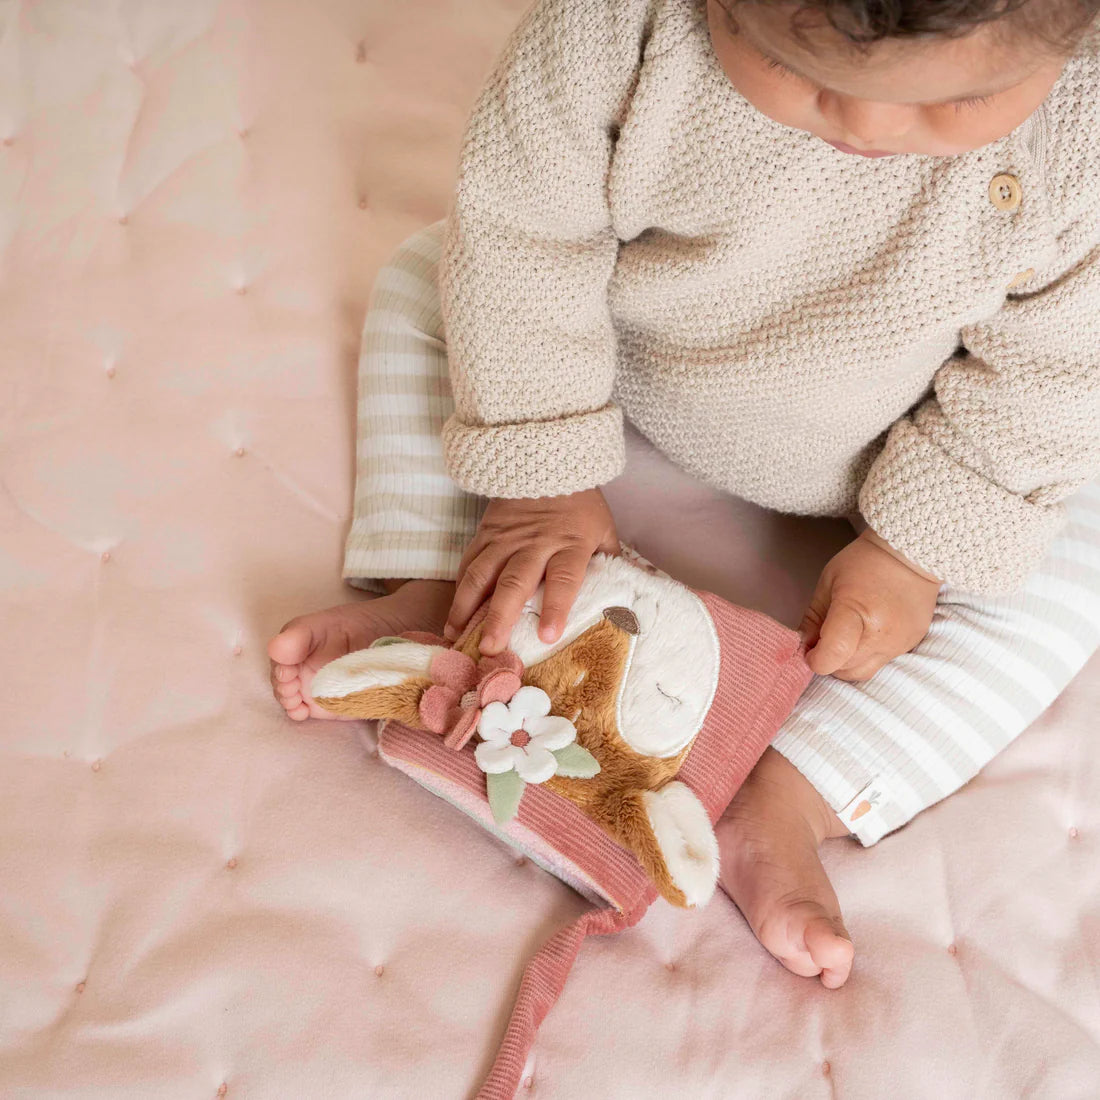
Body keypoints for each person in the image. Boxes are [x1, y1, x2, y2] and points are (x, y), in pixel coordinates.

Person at [270, 0, 1100, 988]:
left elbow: (1050, 373)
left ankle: (788, 795)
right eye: (800, 68)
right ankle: (455, 594)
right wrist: (542, 478)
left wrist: (912, 552)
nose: (868, 124)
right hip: (628, 351)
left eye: (959, 99)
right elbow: (526, 238)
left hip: (903, 435)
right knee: (429, 276)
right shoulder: (611, 31)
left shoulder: (1082, 130)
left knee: (1066, 547)